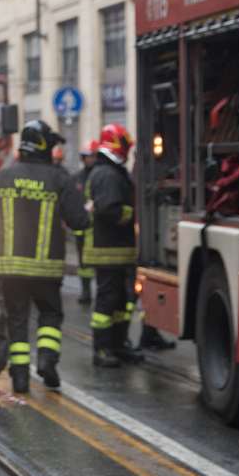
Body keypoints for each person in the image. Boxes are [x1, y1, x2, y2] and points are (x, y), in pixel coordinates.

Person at [0, 121, 89, 393]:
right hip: (47, 269)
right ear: (44, 146)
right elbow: (79, 222)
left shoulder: (3, 178)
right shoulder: (59, 178)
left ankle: (19, 378)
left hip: (10, 268)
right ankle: (47, 361)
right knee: (50, 315)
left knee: (17, 319)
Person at [84, 124, 142, 367]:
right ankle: (103, 349)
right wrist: (133, 214)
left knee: (120, 300)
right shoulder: (108, 174)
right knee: (108, 301)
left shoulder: (109, 171)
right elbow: (109, 210)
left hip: (116, 251)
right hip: (108, 250)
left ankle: (118, 344)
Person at [71, 141, 97, 306]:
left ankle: (100, 290)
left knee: (99, 261)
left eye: (91, 156)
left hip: (97, 228)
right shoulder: (77, 177)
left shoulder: (100, 174)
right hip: (81, 227)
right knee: (83, 262)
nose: (89, 160)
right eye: (86, 157)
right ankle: (85, 291)